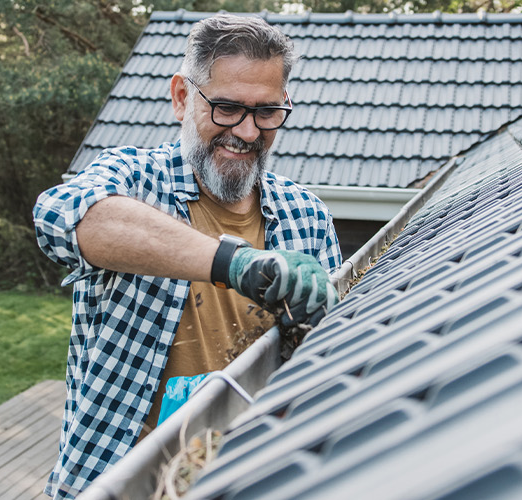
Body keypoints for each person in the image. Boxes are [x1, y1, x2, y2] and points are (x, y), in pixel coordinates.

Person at [33, 13, 342, 499]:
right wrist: (236, 264)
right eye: (226, 108)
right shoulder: (135, 181)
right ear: (182, 97)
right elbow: (59, 215)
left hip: (249, 479)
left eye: (265, 112)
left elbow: (322, 358)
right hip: (120, 485)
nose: (245, 132)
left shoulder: (307, 217)